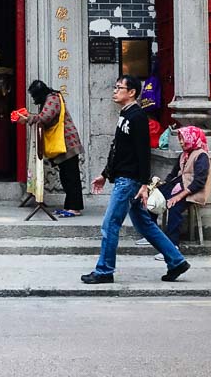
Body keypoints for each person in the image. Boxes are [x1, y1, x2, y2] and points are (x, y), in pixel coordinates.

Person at [81, 74, 190, 284]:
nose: (115, 91)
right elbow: (118, 150)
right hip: (124, 177)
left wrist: (143, 184)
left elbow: (143, 153)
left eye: (119, 87)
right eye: (115, 87)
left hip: (129, 181)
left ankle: (104, 270)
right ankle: (176, 261)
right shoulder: (125, 114)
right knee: (146, 225)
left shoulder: (137, 117)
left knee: (110, 224)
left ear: (131, 92)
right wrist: (104, 174)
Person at [25, 79, 85, 217]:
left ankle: (75, 208)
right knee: (66, 176)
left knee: (71, 176)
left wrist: (28, 118)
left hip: (67, 143)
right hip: (65, 144)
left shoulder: (52, 98)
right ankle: (70, 206)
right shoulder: (51, 97)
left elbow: (45, 118)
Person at [159, 125, 210, 247]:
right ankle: (152, 233)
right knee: (154, 197)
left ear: (192, 138)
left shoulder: (201, 156)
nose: (181, 142)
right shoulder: (183, 155)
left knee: (174, 206)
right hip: (179, 186)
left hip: (193, 192)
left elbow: (199, 182)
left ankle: (172, 245)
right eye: (180, 139)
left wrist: (178, 196)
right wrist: (162, 185)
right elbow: (173, 174)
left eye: (183, 139)